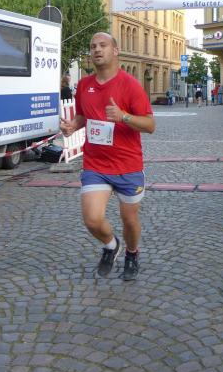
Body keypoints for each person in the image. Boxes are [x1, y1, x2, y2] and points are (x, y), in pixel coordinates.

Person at [59, 33, 155, 281]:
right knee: (92, 219)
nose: (97, 50)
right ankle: (111, 246)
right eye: (93, 46)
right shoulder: (84, 85)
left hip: (128, 165)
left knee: (129, 219)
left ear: (115, 50)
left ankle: (132, 253)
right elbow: (83, 116)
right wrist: (72, 126)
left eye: (103, 45)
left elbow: (150, 125)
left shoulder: (131, 85)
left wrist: (124, 116)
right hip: (96, 164)